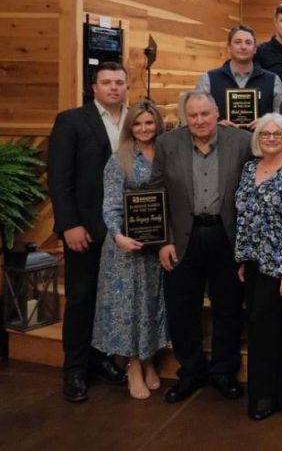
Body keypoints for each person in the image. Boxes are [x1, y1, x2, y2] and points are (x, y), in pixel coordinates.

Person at [152, 90, 251, 405]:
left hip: (227, 236)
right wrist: (164, 240)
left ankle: (223, 371)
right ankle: (191, 371)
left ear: (217, 113)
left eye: (205, 114)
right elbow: (157, 193)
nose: (199, 120)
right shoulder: (167, 143)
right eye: (192, 115)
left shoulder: (242, 141)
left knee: (228, 307)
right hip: (183, 237)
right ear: (185, 117)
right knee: (182, 308)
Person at [47, 61, 130, 401]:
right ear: (94, 87)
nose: (114, 87)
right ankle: (75, 369)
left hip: (126, 229)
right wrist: (69, 224)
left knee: (111, 298)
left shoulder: (136, 120)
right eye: (107, 82)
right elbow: (59, 178)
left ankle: (100, 359)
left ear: (127, 86)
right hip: (85, 227)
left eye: (119, 82)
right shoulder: (71, 121)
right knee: (81, 298)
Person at [234, 113, 282, 420]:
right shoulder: (249, 168)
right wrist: (243, 258)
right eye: (265, 134)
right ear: (258, 138)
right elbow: (244, 216)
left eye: (277, 134)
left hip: (280, 264)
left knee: (262, 327)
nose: (270, 139)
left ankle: (263, 395)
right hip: (254, 260)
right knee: (274, 327)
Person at [92, 100, 168, 400]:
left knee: (151, 303)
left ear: (157, 124)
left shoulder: (167, 153)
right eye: (137, 123)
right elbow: (110, 204)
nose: (144, 128)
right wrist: (118, 236)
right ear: (130, 127)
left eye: (149, 122)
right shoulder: (119, 158)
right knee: (130, 306)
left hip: (156, 246)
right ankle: (133, 366)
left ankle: (149, 359)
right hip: (125, 248)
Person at [197, 24, 282, 128]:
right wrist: (215, 125)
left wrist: (267, 123)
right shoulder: (208, 79)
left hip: (260, 138)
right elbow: (197, 115)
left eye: (248, 42)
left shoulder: (273, 80)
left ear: (255, 49)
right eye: (238, 42)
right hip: (222, 138)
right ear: (229, 47)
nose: (243, 47)